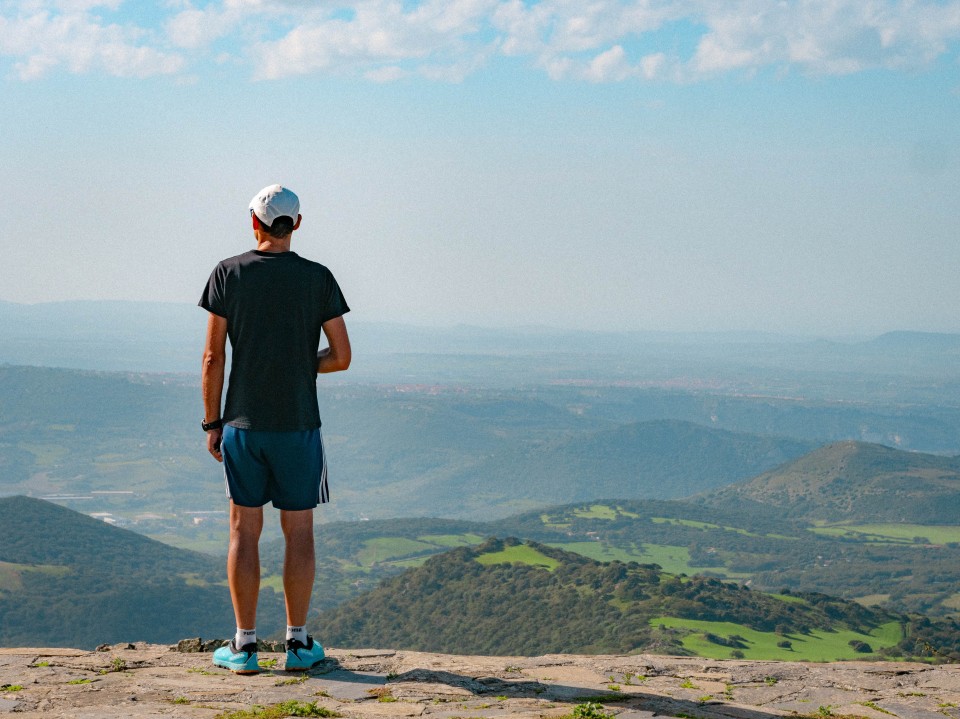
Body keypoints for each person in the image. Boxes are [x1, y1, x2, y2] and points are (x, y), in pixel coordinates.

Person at [199, 184, 351, 674]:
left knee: (244, 531)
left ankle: (243, 648)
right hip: (299, 426)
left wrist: (211, 422)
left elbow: (212, 356)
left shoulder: (229, 273)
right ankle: (298, 644)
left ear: (253, 222)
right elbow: (342, 357)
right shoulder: (318, 279)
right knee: (299, 532)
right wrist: (298, 365)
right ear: (298, 224)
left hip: (243, 423)